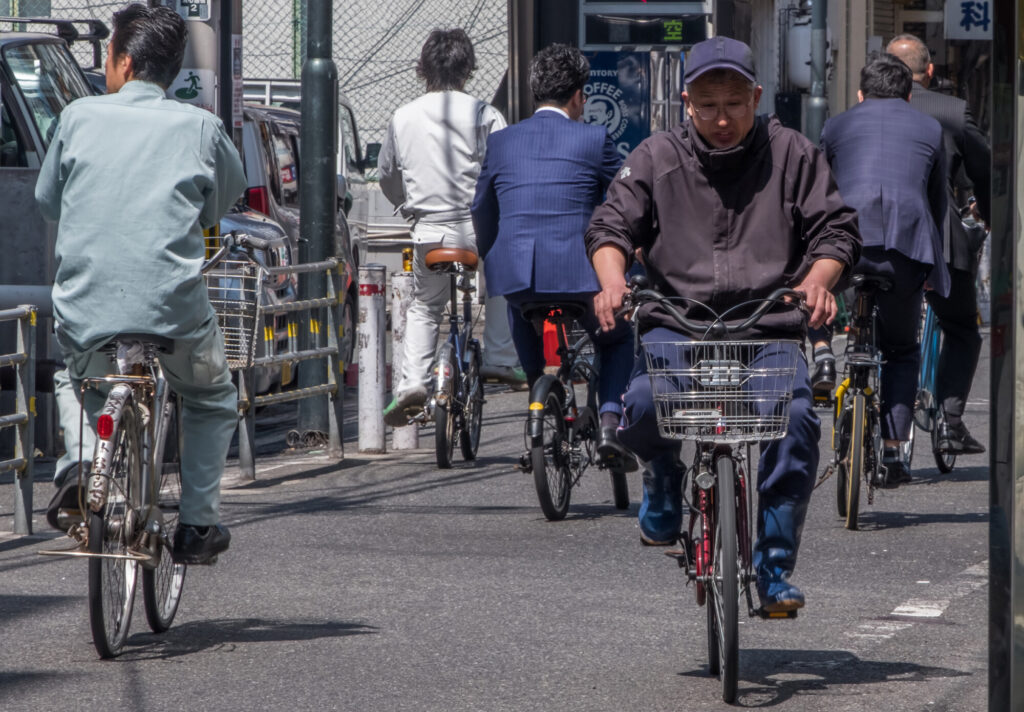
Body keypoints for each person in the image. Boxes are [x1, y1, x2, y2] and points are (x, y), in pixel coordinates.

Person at [585, 36, 860, 612]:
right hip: (677, 322)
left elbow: (835, 230)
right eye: (708, 103)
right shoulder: (657, 156)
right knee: (639, 404)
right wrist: (612, 281)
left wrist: (818, 281)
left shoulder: (794, 153)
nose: (722, 117)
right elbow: (611, 226)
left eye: (735, 102)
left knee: (797, 422)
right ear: (686, 102)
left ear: (756, 97)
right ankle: (662, 474)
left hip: (768, 326)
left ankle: (775, 568)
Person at [36, 3, 246, 565]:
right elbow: (222, 203)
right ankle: (199, 524)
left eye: (106, 55)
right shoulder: (201, 125)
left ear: (123, 61)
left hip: (87, 306)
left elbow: (46, 200)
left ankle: (81, 467)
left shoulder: (79, 116)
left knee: (75, 378)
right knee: (210, 395)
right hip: (172, 310)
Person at [471, 43, 637, 472]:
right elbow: (625, 199)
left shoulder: (502, 141)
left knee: (520, 308)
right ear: (579, 96)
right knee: (617, 339)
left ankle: (536, 403)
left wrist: (493, 254)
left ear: (534, 93)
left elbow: (481, 210)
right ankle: (608, 425)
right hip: (579, 272)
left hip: (517, 271)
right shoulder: (594, 138)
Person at [814, 53, 949, 486]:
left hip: (846, 243)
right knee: (900, 351)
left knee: (811, 298)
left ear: (860, 93)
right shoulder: (930, 128)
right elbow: (937, 200)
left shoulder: (837, 125)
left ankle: (821, 355)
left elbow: (819, 189)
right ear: (909, 95)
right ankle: (893, 452)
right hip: (905, 246)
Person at [378, 28, 522, 426]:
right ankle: (499, 359)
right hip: (479, 230)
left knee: (425, 306)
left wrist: (405, 204)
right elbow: (505, 172)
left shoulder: (402, 116)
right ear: (468, 68)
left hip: (427, 232)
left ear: (423, 68)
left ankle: (413, 383)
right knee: (498, 287)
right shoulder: (485, 114)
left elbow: (388, 176)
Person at [887, 33, 990, 455]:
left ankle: (874, 420)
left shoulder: (864, 110)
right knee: (963, 329)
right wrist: (987, 213)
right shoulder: (951, 110)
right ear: (929, 71)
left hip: (880, 240)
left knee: (885, 337)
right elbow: (984, 169)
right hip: (942, 239)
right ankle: (950, 422)